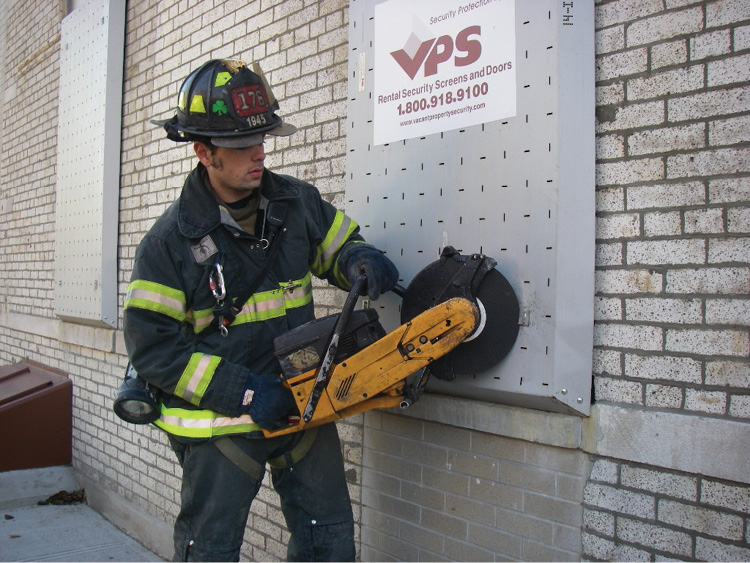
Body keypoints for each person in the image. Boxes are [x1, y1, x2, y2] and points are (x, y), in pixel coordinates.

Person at [122, 58, 399, 562]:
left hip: (302, 402)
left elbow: (336, 248)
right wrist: (245, 392)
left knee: (329, 540)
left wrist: (358, 257)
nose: (259, 153)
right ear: (203, 152)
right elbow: (155, 351)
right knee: (211, 550)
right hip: (219, 426)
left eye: (263, 139)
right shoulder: (167, 244)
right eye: (241, 146)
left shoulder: (295, 202)